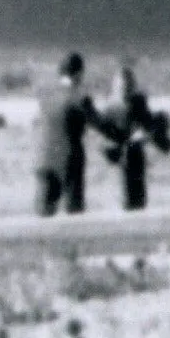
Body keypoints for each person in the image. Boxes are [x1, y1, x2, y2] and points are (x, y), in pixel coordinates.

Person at [99, 61, 170, 212]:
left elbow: (149, 125)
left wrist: (157, 136)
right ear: (115, 87)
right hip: (119, 160)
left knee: (139, 201)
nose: (125, 90)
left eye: (128, 86)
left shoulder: (138, 103)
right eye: (122, 87)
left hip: (136, 158)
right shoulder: (110, 108)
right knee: (126, 201)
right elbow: (105, 141)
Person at [34, 52, 100, 216]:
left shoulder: (46, 95)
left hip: (44, 159)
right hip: (70, 160)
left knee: (43, 218)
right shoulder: (80, 98)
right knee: (74, 217)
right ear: (78, 74)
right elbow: (101, 124)